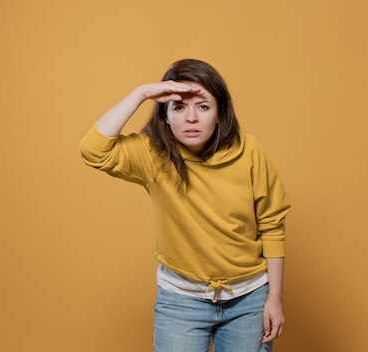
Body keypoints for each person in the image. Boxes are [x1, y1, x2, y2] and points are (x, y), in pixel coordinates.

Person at [80, 58, 291, 352]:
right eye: (179, 107)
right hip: (181, 300)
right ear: (165, 116)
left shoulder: (249, 150)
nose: (191, 118)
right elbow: (93, 149)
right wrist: (142, 93)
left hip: (249, 299)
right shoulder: (154, 155)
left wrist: (274, 299)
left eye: (203, 106)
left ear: (220, 114)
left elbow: (272, 223)